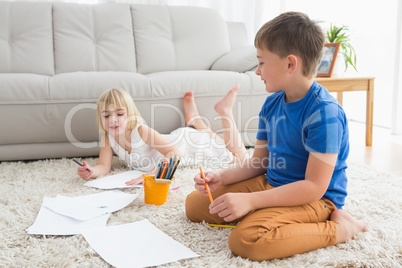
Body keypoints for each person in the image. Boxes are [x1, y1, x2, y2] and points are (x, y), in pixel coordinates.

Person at [185, 12, 367, 261]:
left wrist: (251, 201)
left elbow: (314, 187)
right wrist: (223, 176)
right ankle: (265, 213)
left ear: (290, 64)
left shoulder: (325, 113)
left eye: (261, 62)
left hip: (316, 200)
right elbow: (259, 162)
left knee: (246, 241)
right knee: (195, 205)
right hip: (273, 184)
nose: (257, 71)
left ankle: (341, 228)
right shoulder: (272, 104)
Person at [77, 85, 247, 185]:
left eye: (119, 114)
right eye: (106, 115)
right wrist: (91, 171)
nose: (113, 120)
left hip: (187, 145)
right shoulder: (107, 137)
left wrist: (154, 174)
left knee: (240, 157)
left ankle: (225, 111)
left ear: (130, 114)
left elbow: (175, 153)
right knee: (221, 145)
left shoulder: (141, 131)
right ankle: (196, 120)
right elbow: (104, 167)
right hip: (176, 139)